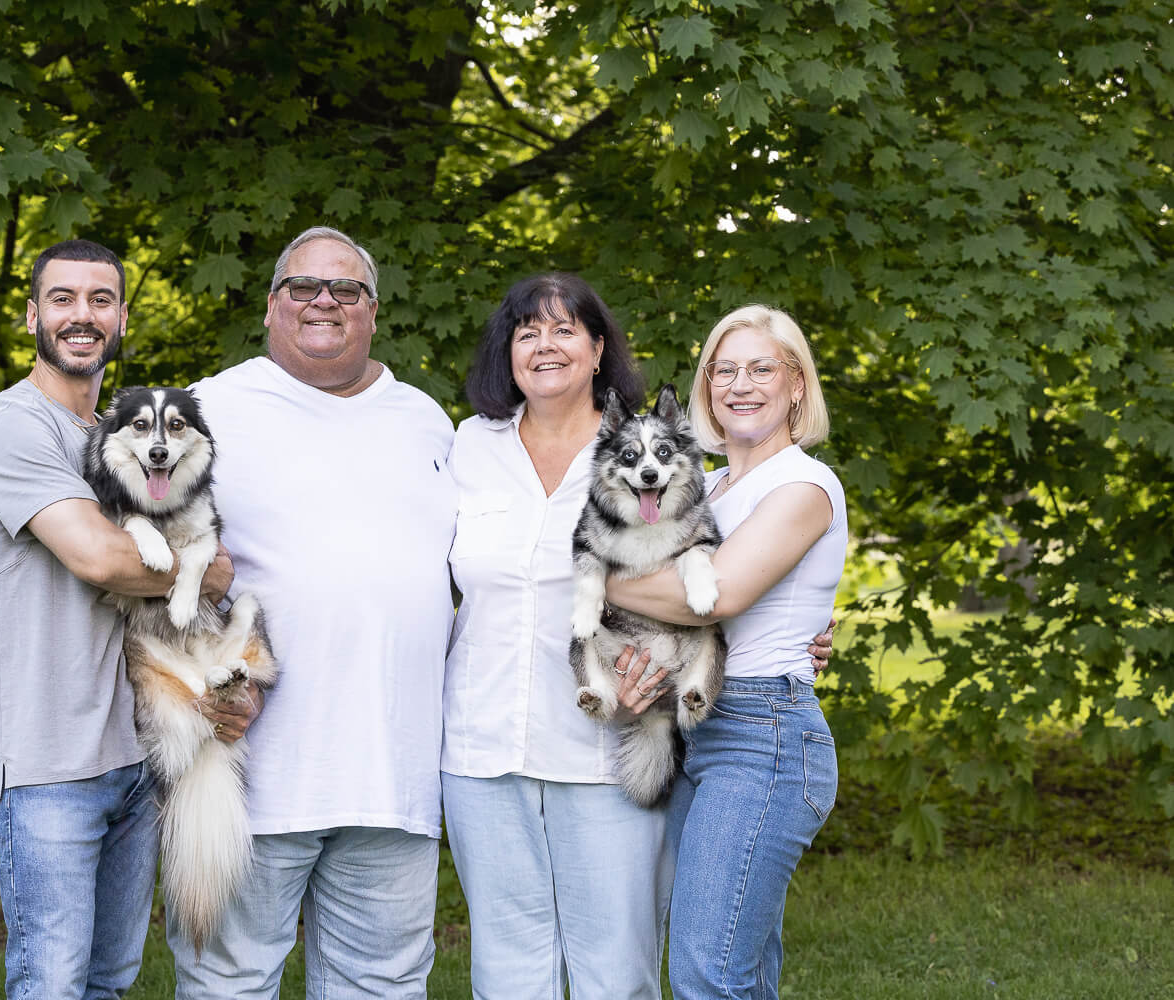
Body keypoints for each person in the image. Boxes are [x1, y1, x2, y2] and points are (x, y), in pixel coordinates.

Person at [0, 238, 254, 1000]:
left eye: (99, 300)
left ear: (121, 316)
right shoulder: (14, 428)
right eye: (62, 299)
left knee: (108, 982)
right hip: (46, 758)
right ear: (32, 316)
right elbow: (102, 558)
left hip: (128, 749)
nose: (81, 316)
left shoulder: (113, 440)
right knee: (51, 983)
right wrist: (208, 566)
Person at [166, 227, 459, 999]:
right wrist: (192, 685)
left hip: (393, 776)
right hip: (249, 765)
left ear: (373, 310)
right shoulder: (207, 410)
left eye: (346, 290)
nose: (324, 301)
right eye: (303, 286)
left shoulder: (427, 420)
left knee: (385, 984)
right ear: (271, 306)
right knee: (229, 983)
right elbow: (140, 566)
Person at [443, 273, 674, 998]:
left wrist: (799, 624)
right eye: (527, 331)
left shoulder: (644, 451)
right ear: (507, 352)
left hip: (608, 741)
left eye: (564, 329)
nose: (544, 345)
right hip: (481, 749)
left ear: (598, 349)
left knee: (615, 969)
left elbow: (715, 554)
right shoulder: (469, 447)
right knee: (508, 968)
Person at [606, 304, 845, 1000]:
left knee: (709, 974)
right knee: (736, 969)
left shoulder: (802, 484)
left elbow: (712, 598)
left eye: (761, 368)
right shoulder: (707, 487)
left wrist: (584, 572)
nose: (740, 384)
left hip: (762, 736)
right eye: (724, 369)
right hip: (696, 731)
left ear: (797, 384)